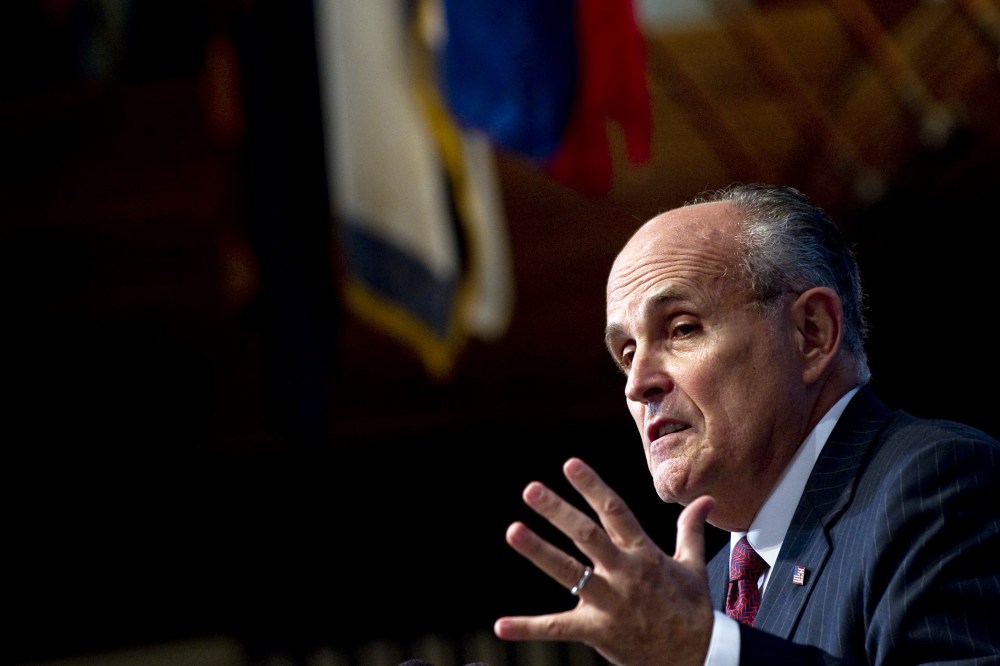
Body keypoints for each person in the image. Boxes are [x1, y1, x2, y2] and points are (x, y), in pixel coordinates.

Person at [493, 183, 1000, 665]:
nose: (637, 383)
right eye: (627, 353)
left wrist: (704, 654)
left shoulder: (938, 484)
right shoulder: (705, 593)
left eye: (681, 328)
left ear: (812, 333)